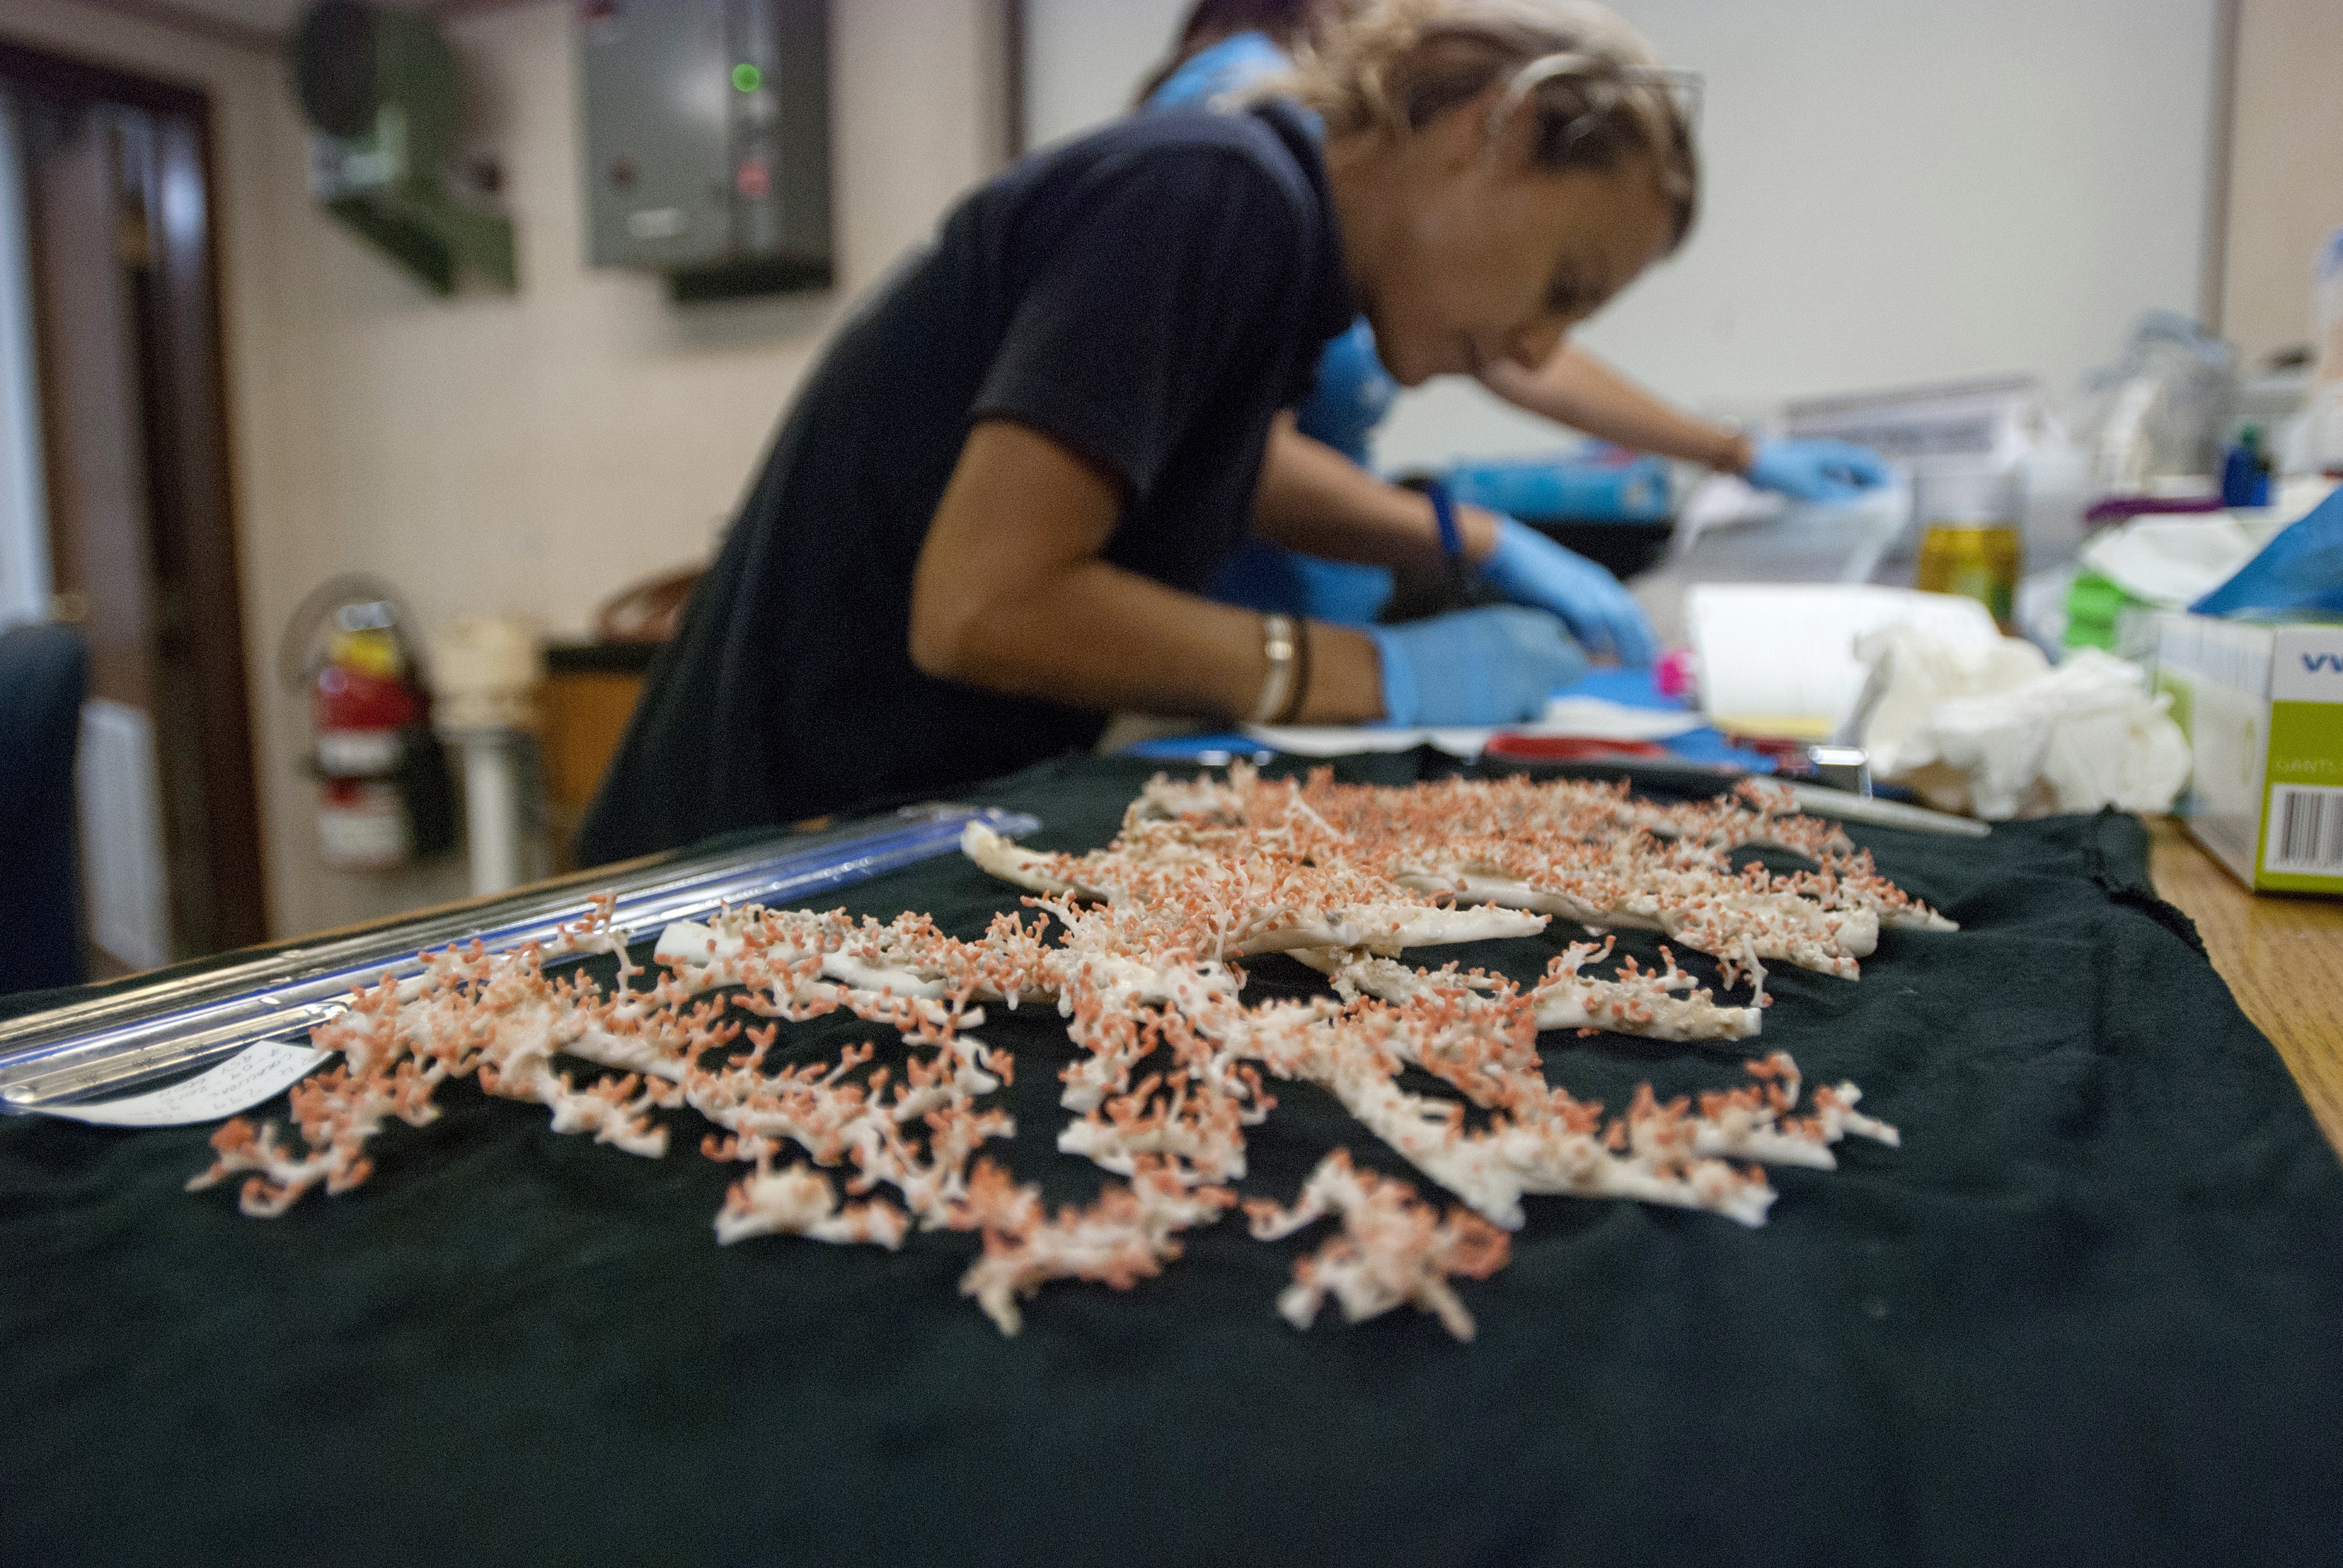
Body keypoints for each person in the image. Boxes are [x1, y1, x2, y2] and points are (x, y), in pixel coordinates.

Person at [578, 0, 1700, 866]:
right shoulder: (1211, 193)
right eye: (1565, 283)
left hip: (860, 815)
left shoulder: (1277, 252)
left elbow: (1218, 464)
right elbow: (983, 608)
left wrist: (1463, 540)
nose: (1543, 349)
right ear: (1485, 131)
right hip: (754, 842)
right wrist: (1374, 672)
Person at [1142, 0, 1892, 636]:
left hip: (1316, 624)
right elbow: (1226, 459)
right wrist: (1476, 540)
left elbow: (1497, 335)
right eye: (1565, 284)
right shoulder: (1241, 155)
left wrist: (1733, 453)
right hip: (1225, 638)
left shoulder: (1387, 236)